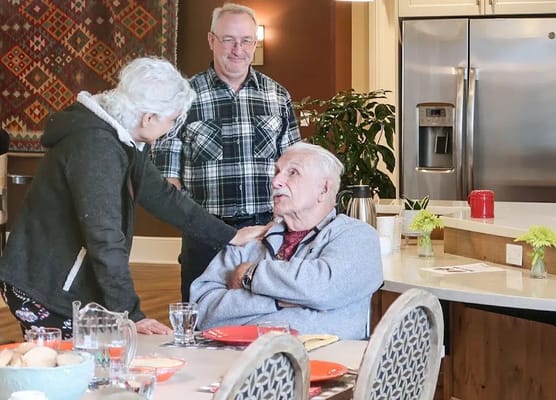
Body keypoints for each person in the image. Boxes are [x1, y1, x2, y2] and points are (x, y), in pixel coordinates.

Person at [0, 57, 266, 339]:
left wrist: (229, 235)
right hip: (45, 286)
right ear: (148, 117)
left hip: (68, 281)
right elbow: (104, 236)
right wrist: (131, 314)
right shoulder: (96, 148)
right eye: (172, 120)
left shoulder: (124, 138)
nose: (172, 128)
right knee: (68, 374)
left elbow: (163, 197)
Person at [151, 3, 301, 302]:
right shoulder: (183, 99)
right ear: (211, 41)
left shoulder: (278, 96)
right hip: (206, 235)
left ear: (254, 43)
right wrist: (197, 225)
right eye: (228, 40)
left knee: (265, 318)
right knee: (200, 322)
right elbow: (168, 181)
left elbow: (296, 170)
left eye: (246, 41)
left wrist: (285, 225)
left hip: (266, 232)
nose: (238, 49)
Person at [190, 142, 384, 340]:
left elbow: (321, 288)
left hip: (323, 362)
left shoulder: (357, 236)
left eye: (293, 173)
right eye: (277, 172)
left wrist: (250, 274)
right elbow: (201, 312)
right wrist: (279, 301)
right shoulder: (250, 240)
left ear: (324, 189)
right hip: (240, 361)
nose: (275, 182)